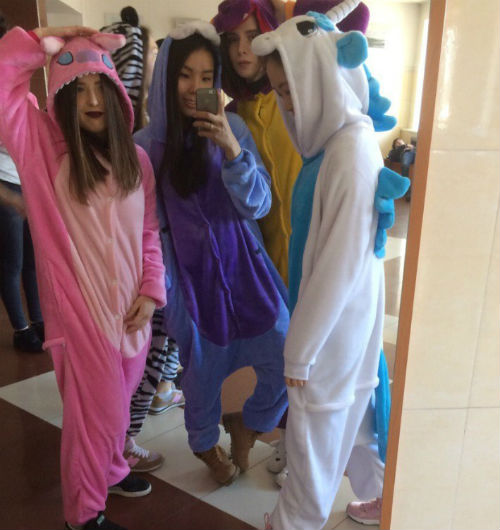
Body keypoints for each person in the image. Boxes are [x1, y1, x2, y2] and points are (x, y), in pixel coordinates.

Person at [0, 24, 167, 530]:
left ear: (117, 91)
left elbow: (149, 232)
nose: (92, 99)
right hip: (81, 319)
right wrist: (40, 42)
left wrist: (151, 291)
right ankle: (84, 514)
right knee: (96, 419)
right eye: (79, 88)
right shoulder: (43, 149)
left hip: (132, 317)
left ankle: (111, 470)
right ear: (62, 96)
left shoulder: (136, 160)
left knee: (116, 413)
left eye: (100, 85)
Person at [252, 2, 409, 528]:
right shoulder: (340, 145)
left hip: (330, 338)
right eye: (280, 91)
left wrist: (299, 353)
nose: (288, 104)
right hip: (345, 332)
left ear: (321, 76)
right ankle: (384, 498)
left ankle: (291, 523)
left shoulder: (348, 154)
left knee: (312, 448)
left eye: (291, 89)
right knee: (356, 421)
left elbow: (336, 269)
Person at [213, 0, 370, 489]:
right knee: (285, 355)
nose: (242, 50)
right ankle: (285, 438)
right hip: (263, 256)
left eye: (250, 36)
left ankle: (290, 442)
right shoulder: (233, 115)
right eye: (232, 40)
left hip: (309, 248)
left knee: (307, 356)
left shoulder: (305, 102)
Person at [134, 20, 289, 486]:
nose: (195, 87)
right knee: (202, 376)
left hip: (247, 272)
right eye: (185, 75)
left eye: (206, 77)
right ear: (167, 77)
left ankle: (250, 423)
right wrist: (167, 290)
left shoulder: (234, 127)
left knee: (286, 353)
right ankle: (204, 444)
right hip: (191, 286)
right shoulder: (146, 148)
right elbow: (145, 228)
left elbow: (259, 204)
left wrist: (231, 149)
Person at [102, 5, 185, 475]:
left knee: (157, 348)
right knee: (143, 354)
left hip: (158, 271)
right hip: (143, 274)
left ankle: (135, 423)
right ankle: (123, 442)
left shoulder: (148, 142)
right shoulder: (142, 145)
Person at [0, 11, 44, 353]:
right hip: (6, 188)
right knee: (11, 263)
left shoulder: (25, 93)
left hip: (27, 185)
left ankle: (40, 320)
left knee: (33, 262)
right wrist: (9, 197)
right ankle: (21, 327)